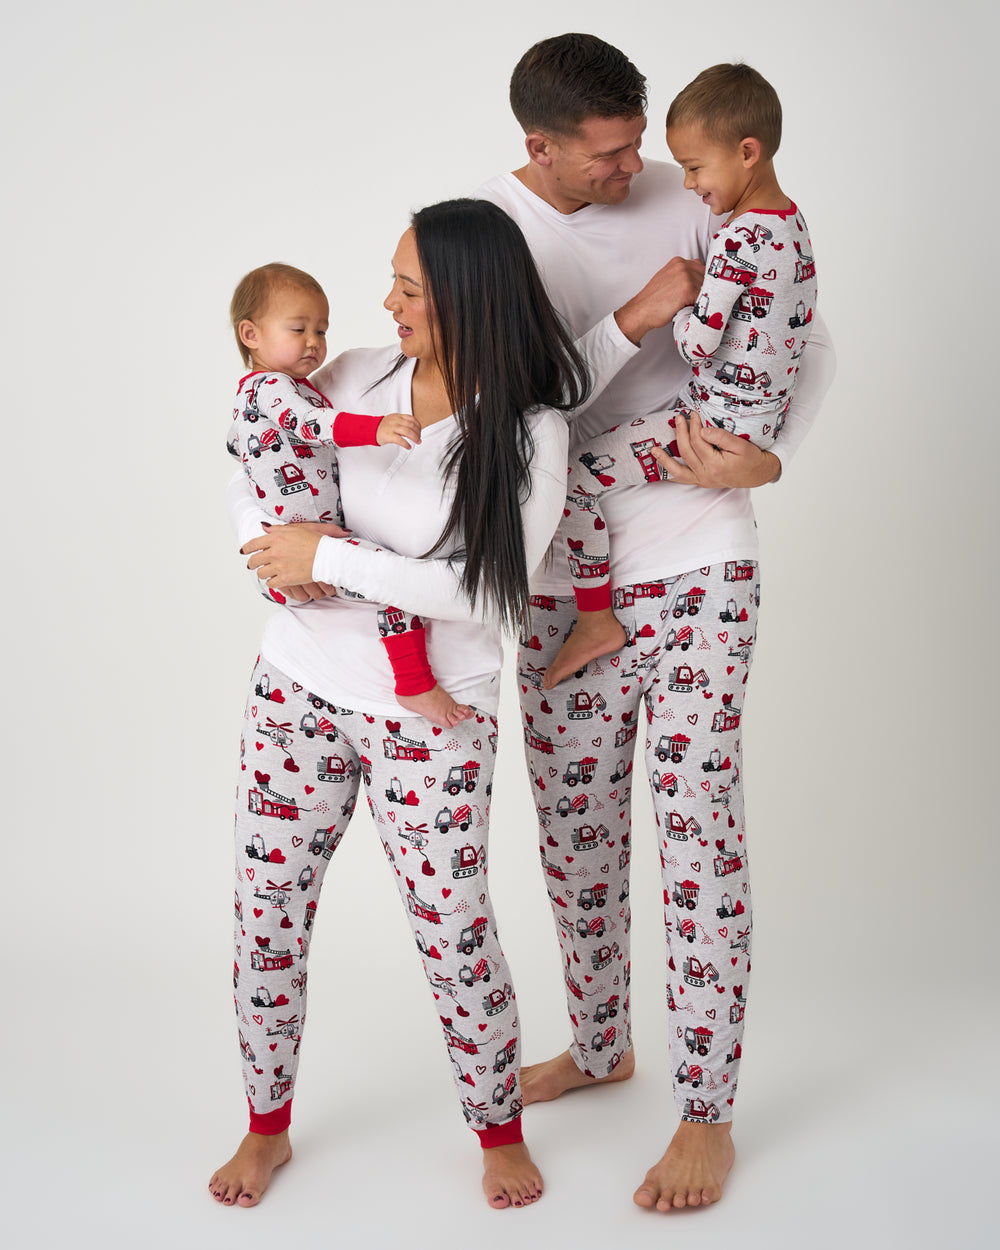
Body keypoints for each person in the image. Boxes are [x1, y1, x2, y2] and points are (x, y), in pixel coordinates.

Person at [210, 197, 676, 1210]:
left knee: (451, 920)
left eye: (409, 288)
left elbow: (480, 587)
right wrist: (266, 552)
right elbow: (259, 451)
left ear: (468, 296)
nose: (384, 303)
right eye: (392, 281)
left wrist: (325, 555)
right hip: (299, 684)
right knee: (265, 915)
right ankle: (265, 1123)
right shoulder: (353, 373)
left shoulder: (525, 429)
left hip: (435, 714)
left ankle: (496, 1127)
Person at [472, 33, 835, 1211]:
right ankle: (597, 1042)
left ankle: (707, 1111)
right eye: (611, 154)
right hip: (564, 580)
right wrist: (632, 318)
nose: (639, 172)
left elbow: (796, 333)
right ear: (541, 148)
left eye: (645, 145)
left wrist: (767, 461)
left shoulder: (696, 189)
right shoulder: (486, 237)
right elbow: (512, 410)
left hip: (693, 559)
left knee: (694, 834)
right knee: (576, 834)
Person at [546, 62, 819, 687]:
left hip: (709, 426)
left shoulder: (735, 238)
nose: (688, 183)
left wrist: (680, 303)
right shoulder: (792, 224)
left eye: (695, 167)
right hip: (753, 420)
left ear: (747, 152)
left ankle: (594, 620)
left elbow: (698, 345)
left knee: (573, 478)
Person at [228, 261, 473, 729]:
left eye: (320, 330)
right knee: (394, 582)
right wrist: (374, 428)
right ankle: (415, 682)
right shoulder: (273, 388)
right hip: (293, 556)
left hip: (297, 555)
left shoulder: (268, 391)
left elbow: (235, 445)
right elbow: (309, 426)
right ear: (250, 334)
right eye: (297, 329)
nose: (313, 342)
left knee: (386, 576)